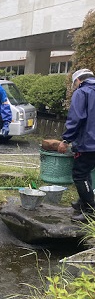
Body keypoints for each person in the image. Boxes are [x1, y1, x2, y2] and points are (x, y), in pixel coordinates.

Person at [58, 68, 95, 222]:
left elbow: (76, 119)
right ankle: (83, 201)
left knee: (80, 175)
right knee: (86, 172)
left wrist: (66, 139)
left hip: (88, 142)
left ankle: (90, 212)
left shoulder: (82, 92)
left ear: (78, 81)